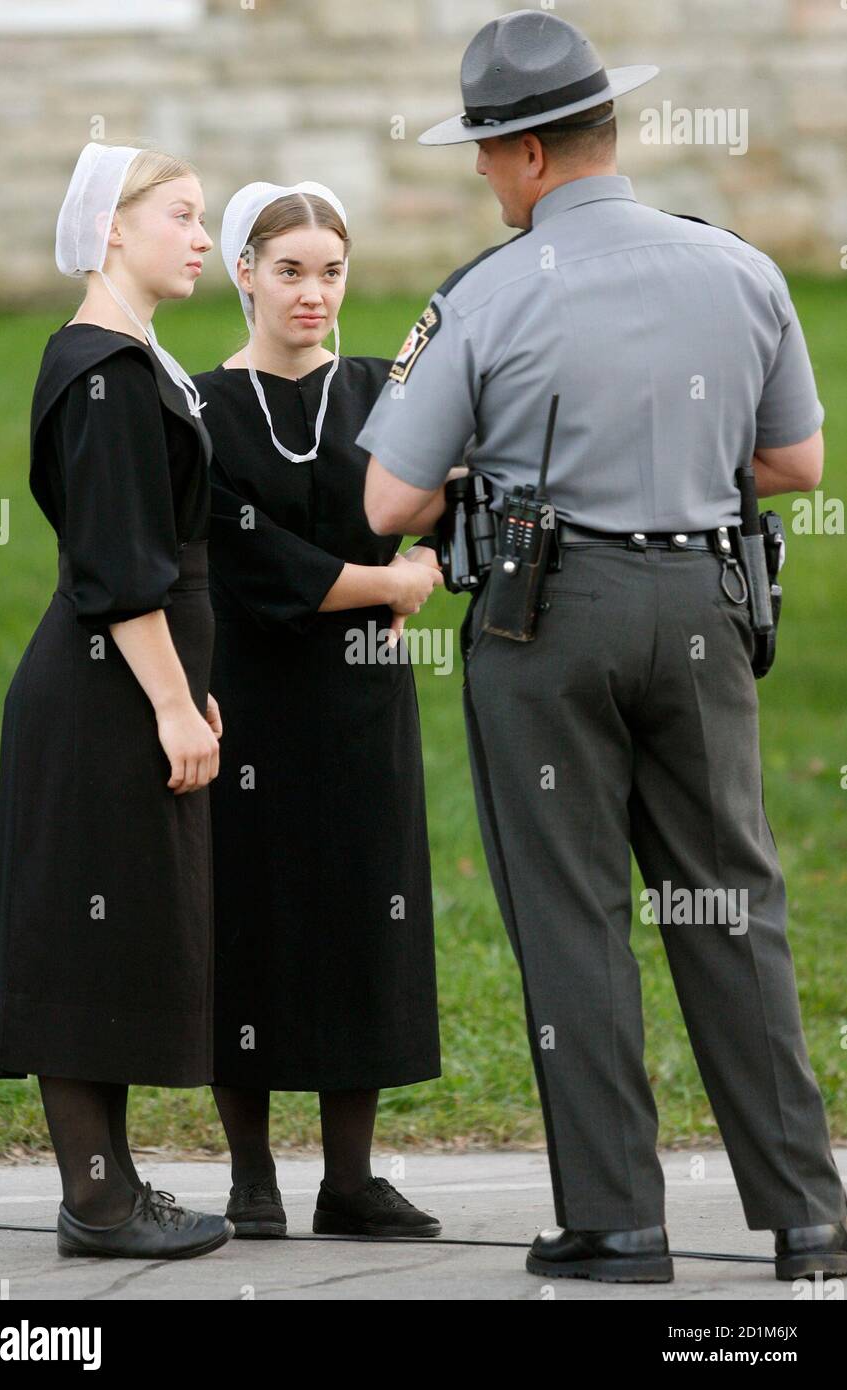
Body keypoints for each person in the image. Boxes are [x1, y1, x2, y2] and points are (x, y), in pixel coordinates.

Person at [359, 9, 847, 1283]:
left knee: (573, 915)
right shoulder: (739, 266)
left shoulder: (484, 291)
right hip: (703, 610)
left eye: (482, 149)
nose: (478, 171)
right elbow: (797, 461)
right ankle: (809, 1215)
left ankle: (620, 1222)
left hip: (545, 617)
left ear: (524, 155)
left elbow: (387, 508)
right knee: (731, 903)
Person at [0, 142, 234, 1260]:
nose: (200, 236)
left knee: (123, 930)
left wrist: (191, 691)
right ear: (112, 229)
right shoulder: (103, 373)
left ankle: (114, 1185)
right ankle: (96, 1196)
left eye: (204, 217)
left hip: (125, 679)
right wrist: (175, 706)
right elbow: (119, 561)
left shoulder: (132, 360)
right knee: (84, 942)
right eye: (181, 214)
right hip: (103, 689)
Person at [192, 180, 443, 1239]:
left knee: (362, 918)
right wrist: (384, 583)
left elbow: (457, 491)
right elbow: (238, 554)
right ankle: (252, 1177)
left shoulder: (387, 390)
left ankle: (350, 1176)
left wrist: (429, 557)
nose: (312, 293)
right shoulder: (199, 405)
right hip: (246, 695)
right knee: (247, 920)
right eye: (289, 269)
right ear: (244, 271)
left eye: (330, 272)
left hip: (357, 704)